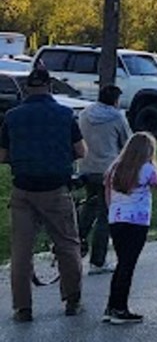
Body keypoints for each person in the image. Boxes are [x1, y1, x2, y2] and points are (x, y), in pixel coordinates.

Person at [0, 67, 87, 322]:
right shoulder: (64, 114)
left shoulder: (12, 117)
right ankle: (72, 300)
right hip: (55, 189)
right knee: (67, 245)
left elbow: (2, 156)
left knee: (21, 250)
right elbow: (81, 151)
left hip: (23, 190)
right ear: (49, 86)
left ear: (27, 88)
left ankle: (23, 307)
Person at [103, 132, 157, 324]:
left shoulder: (115, 168)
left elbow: (107, 190)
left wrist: (112, 210)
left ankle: (111, 305)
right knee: (127, 265)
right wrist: (155, 166)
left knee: (122, 263)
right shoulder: (146, 168)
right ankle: (120, 308)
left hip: (117, 218)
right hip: (137, 221)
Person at [78, 84, 133, 276]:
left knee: (89, 207)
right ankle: (98, 261)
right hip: (108, 170)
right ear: (116, 100)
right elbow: (128, 142)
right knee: (105, 215)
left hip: (86, 167)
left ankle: (74, 243)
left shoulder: (85, 113)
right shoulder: (117, 117)